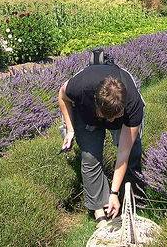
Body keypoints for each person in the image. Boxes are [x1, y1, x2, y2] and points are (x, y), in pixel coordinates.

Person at [58, 52, 145, 228]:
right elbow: (62, 95)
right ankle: (99, 209)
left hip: (123, 113)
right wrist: (70, 129)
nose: (111, 122)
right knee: (90, 158)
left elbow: (123, 152)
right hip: (87, 114)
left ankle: (129, 198)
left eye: (116, 116)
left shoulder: (133, 104)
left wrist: (114, 192)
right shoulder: (81, 87)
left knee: (133, 152)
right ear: (96, 104)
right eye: (107, 117)